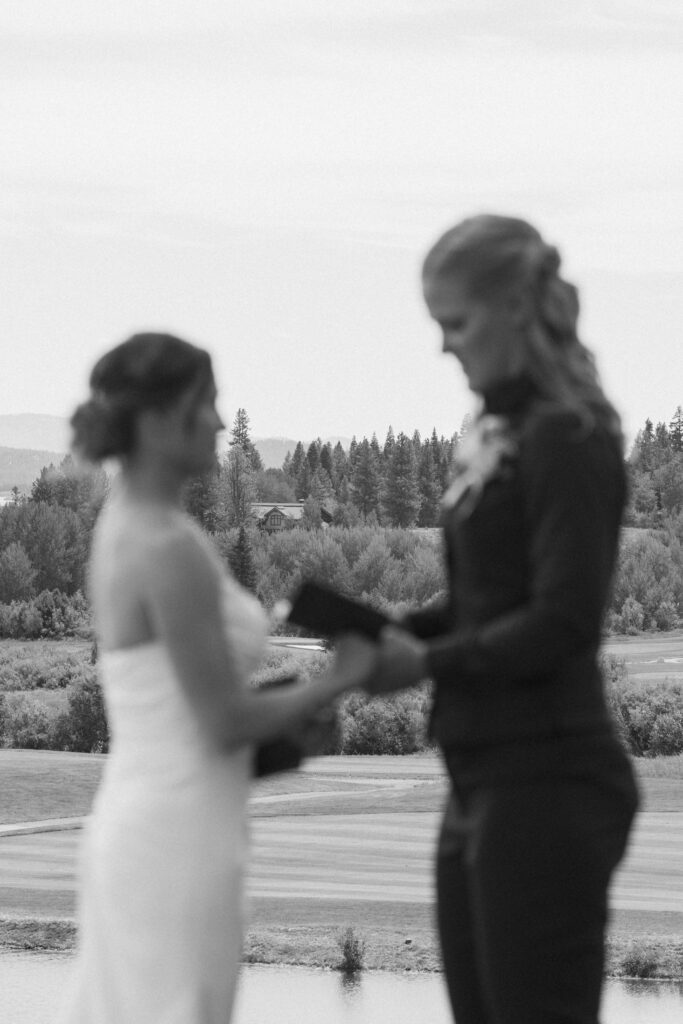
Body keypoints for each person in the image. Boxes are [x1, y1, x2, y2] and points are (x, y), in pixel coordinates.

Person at [363, 215, 639, 1024]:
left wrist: (425, 664)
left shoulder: (567, 434)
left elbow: (563, 621)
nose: (445, 347)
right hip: (479, 772)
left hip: (548, 778)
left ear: (516, 307)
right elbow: (483, 604)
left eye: (456, 323)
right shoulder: (499, 428)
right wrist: (397, 633)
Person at [59, 332, 372, 1024]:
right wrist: (335, 680)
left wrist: (286, 725)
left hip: (165, 816)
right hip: (175, 838)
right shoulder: (165, 544)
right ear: (157, 419)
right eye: (207, 404)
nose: (221, 422)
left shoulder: (128, 525)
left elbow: (178, 714)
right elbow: (221, 721)